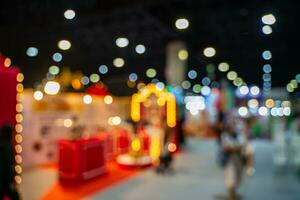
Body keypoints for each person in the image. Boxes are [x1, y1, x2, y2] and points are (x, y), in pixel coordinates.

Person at [221, 121, 244, 200]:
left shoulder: (239, 136)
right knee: (230, 178)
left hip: (237, 159)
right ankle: (231, 195)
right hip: (228, 159)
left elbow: (242, 145)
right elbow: (226, 148)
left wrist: (233, 148)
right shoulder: (225, 136)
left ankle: (233, 194)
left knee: (237, 177)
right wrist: (235, 148)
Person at [0, 124, 20, 200]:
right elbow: (9, 164)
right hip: (5, 180)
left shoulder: (4, 144)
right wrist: (12, 178)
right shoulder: (6, 146)